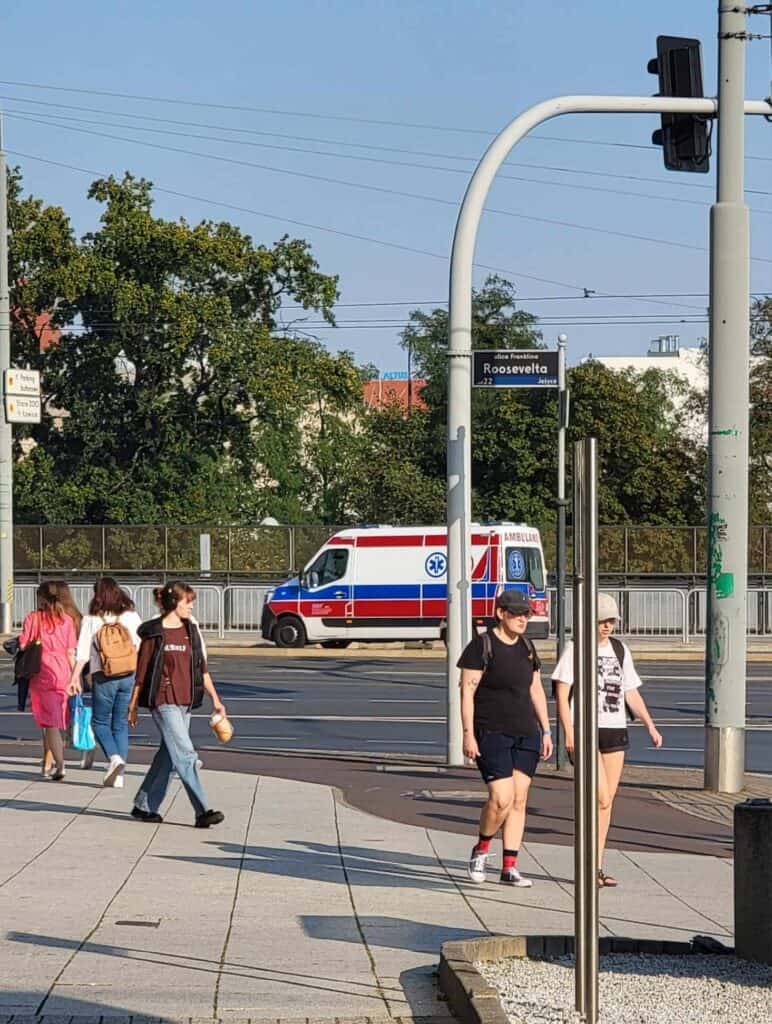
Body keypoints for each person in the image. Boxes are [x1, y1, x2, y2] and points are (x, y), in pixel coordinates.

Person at [553, 592, 663, 888]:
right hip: (584, 729)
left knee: (606, 802)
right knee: (599, 796)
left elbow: (631, 691)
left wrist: (650, 724)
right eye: (602, 621)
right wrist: (568, 731)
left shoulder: (619, 649)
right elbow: (562, 695)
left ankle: (596, 866)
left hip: (615, 728)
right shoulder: (574, 650)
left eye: (611, 621)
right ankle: (586, 861)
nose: (607, 626)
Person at [459, 590, 553, 887]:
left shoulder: (527, 646)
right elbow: (467, 692)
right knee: (501, 798)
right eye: (517, 613)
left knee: (519, 799)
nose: (523, 619)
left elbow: (535, 690)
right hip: (491, 732)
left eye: (526, 614)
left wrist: (546, 730)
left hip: (526, 733)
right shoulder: (482, 646)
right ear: (501, 613)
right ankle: (480, 850)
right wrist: (468, 735)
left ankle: (509, 866)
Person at [128, 581, 226, 828]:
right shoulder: (154, 633)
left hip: (185, 701)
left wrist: (216, 699)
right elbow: (141, 672)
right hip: (164, 701)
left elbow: (202, 670)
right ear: (174, 603)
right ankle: (203, 811)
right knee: (185, 754)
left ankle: (144, 805)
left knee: (169, 756)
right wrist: (132, 704)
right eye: (187, 602)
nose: (191, 607)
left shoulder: (190, 630)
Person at [68, 578, 141, 788]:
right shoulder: (130, 615)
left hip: (103, 676)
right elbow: (140, 644)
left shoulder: (92, 619)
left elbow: (82, 652)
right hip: (128, 675)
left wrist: (75, 678)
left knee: (99, 722)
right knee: (120, 724)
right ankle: (119, 776)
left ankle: (113, 757)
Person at [19, 582, 78, 780]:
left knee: (49, 722)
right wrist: (74, 677)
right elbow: (71, 651)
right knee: (58, 717)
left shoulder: (33, 618)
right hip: (63, 670)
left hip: (42, 670)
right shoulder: (67, 620)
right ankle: (51, 761)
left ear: (42, 598)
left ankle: (60, 763)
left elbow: (23, 643)